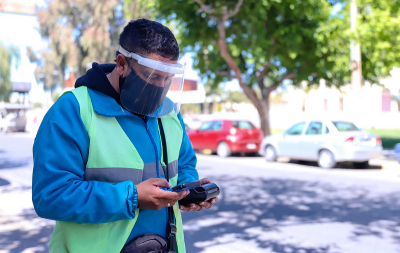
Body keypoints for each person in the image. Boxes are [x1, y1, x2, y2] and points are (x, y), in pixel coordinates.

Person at [32, 19, 218, 253]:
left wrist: (189, 190)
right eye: (152, 76)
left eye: (168, 78)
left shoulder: (170, 113)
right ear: (122, 64)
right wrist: (131, 198)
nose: (161, 87)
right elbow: (50, 195)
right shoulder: (73, 110)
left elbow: (185, 165)